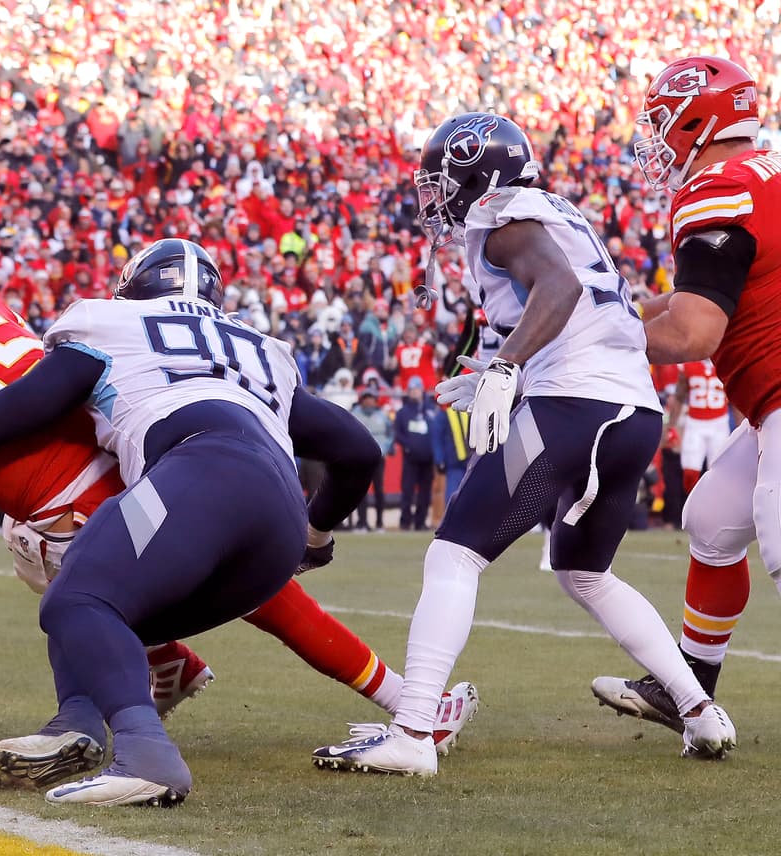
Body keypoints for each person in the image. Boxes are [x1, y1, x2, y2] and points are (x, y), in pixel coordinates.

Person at [0, 245, 472, 806]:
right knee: (115, 599)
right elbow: (358, 450)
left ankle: (140, 752)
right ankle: (121, 697)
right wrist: (316, 535)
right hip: (279, 509)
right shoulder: (259, 348)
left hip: (198, 469)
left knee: (74, 597)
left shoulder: (107, 324)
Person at [311, 112, 734, 777]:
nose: (436, 197)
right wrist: (494, 365)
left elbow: (559, 287)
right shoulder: (559, 213)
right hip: (633, 410)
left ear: (478, 173)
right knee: (584, 572)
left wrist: (508, 366)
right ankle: (699, 709)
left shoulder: (502, 215)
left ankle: (414, 730)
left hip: (576, 401)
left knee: (454, 554)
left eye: (442, 181)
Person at [591, 56, 780, 735]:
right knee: (711, 520)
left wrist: (588, 349)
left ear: (701, 121)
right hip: (769, 404)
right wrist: (618, 314)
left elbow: (694, 332)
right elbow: (702, 296)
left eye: (663, 124)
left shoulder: (716, 189)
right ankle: (689, 687)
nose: (656, 140)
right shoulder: (764, 176)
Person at [670, 360, 731, 497]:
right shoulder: (688, 364)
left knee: (718, 472)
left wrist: (742, 425)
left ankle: (714, 506)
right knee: (690, 473)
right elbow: (679, 397)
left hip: (719, 424)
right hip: (695, 424)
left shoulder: (726, 361)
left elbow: (735, 398)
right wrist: (671, 425)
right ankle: (692, 506)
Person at [394, 376, 435, 531]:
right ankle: (405, 522)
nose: (414, 392)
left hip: (428, 459)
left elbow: (435, 430)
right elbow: (398, 433)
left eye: (416, 389)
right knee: (407, 491)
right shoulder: (403, 412)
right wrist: (408, 445)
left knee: (425, 493)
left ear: (422, 390)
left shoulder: (431, 410)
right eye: (411, 389)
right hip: (410, 459)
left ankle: (420, 522)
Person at [351, 388, 392, 532]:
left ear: (375, 401)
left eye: (371, 398)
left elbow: (390, 434)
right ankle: (362, 523)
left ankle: (380, 523)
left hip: (378, 457)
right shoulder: (354, 414)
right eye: (366, 398)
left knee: (379, 490)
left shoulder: (382, 416)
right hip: (360, 457)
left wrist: (385, 448)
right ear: (362, 400)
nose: (369, 401)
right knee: (360, 490)